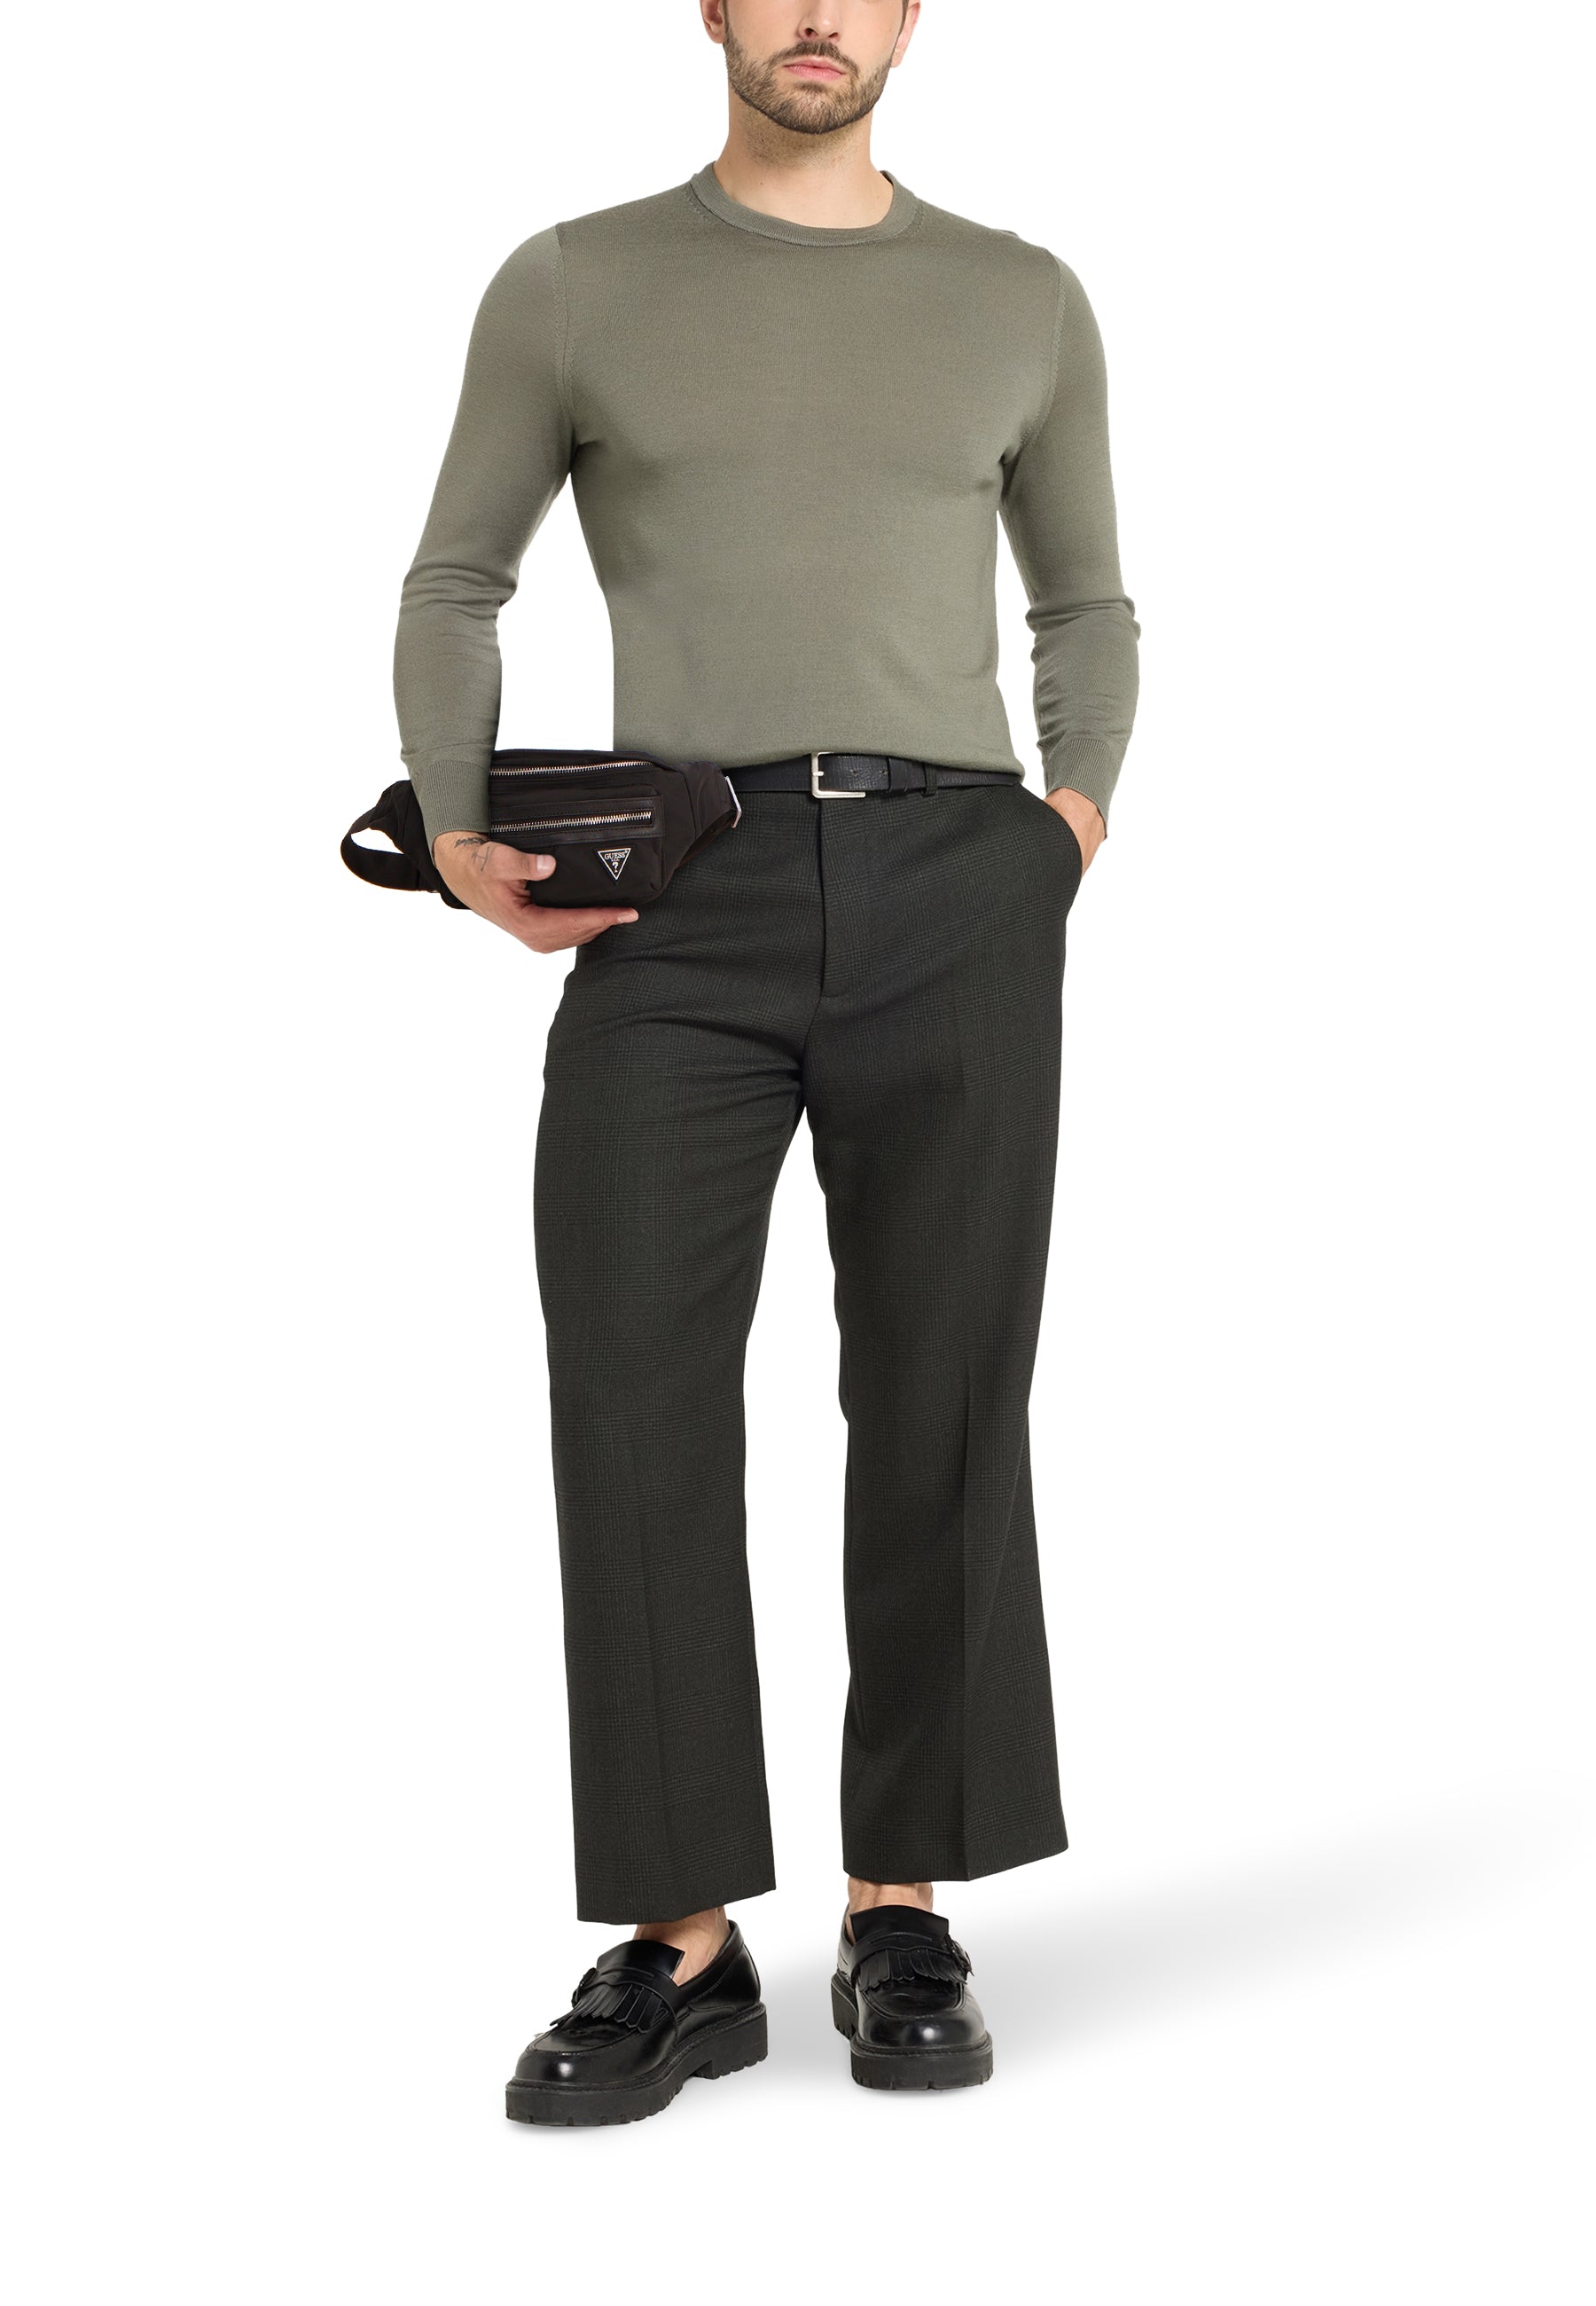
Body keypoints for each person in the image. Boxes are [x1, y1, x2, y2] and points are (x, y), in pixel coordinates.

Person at [392, 0, 1139, 2126]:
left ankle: (904, 1897)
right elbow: (456, 579)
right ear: (710, 9)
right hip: (681, 898)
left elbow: (1088, 606)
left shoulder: (1021, 297)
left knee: (944, 1383)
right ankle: (685, 1938)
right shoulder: (575, 283)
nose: (819, 16)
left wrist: (1064, 829)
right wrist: (457, 832)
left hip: (959, 884)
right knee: (629, 1388)